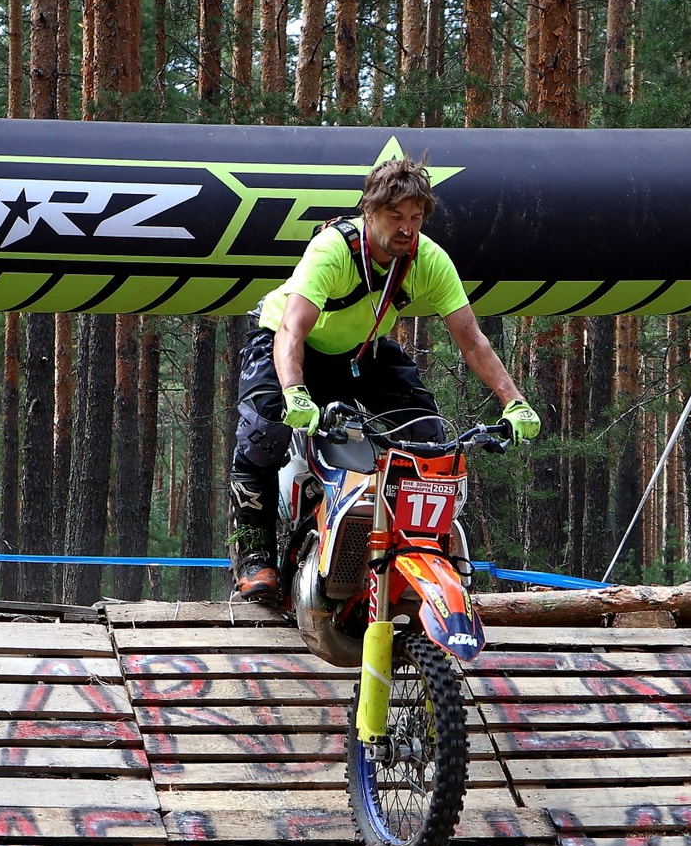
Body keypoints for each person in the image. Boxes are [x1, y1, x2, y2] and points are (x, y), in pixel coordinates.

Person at [229, 155, 540, 605]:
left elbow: (471, 340)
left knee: (429, 438)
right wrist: (296, 392)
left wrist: (514, 401)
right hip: (286, 343)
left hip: (359, 352)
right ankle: (254, 558)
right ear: (369, 211)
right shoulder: (333, 249)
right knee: (264, 432)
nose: (406, 228)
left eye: (415, 217)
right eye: (395, 216)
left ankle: (414, 547)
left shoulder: (428, 259)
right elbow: (291, 329)